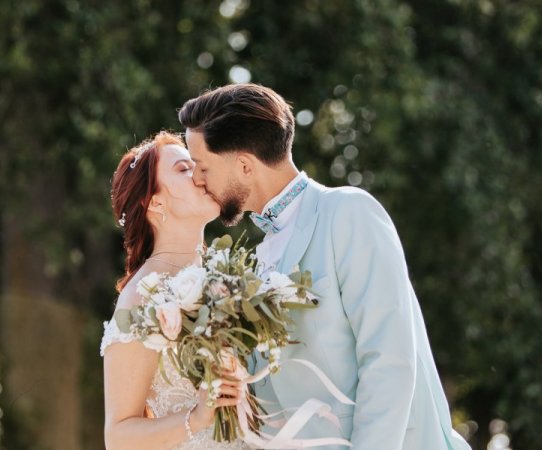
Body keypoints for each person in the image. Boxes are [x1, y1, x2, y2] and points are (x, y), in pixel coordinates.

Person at [178, 84, 472, 450]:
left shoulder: (348, 213)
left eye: (203, 166)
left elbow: (389, 360)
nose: (197, 179)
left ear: (243, 165)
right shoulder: (256, 255)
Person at [101, 131, 250, 450]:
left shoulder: (226, 275)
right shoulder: (142, 297)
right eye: (184, 169)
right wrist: (197, 417)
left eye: (198, 165)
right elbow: (117, 436)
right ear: (154, 201)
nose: (200, 174)